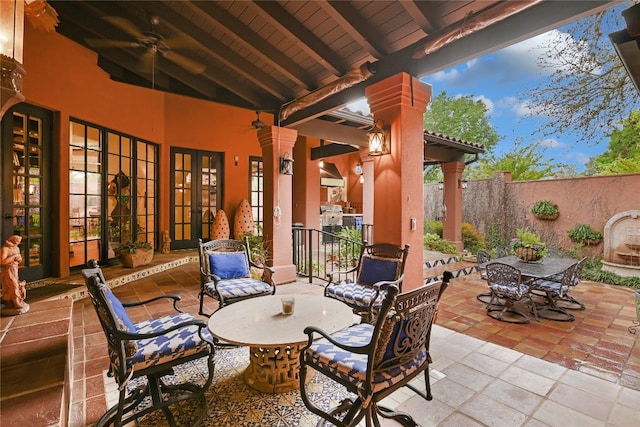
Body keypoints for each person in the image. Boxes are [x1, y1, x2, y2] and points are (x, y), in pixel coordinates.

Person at [0, 235, 27, 311]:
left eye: (19, 242)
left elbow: (19, 259)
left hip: (15, 269)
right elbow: (2, 261)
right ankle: (16, 302)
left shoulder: (17, 248)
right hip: (7, 270)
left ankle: (13, 300)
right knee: (13, 285)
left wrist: (19, 259)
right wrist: (14, 257)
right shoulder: (5, 249)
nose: (18, 243)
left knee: (17, 284)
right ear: (13, 240)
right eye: (17, 241)